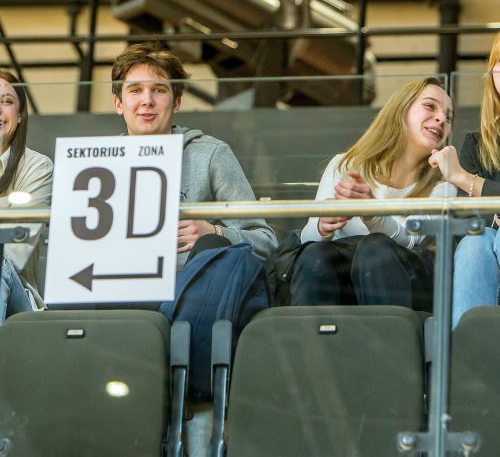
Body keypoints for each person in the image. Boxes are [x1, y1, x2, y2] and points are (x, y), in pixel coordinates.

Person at [290, 77, 455, 311]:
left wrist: (371, 211)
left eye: (448, 117)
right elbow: (307, 242)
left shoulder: (443, 187)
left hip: (403, 288)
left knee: (375, 249)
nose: (441, 119)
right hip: (340, 282)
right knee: (315, 254)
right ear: (401, 110)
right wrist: (322, 226)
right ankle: (314, 344)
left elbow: (409, 240)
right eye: (430, 106)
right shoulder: (345, 165)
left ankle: (393, 345)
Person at [111, 42, 277, 270]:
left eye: (159, 90)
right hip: (115, 283)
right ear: (118, 103)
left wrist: (215, 233)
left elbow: (266, 243)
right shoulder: (94, 162)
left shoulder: (210, 154)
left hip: (188, 287)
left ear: (176, 102)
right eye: (135, 90)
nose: (147, 100)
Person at [429, 33, 500, 328]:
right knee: (473, 242)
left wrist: (461, 177)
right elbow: (472, 219)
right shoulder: (477, 145)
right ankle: (468, 356)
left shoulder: (463, 163)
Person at [0, 69, 53, 324]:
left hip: (15, 295)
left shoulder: (38, 167)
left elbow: (13, 252)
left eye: (6, 102)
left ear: (19, 115)